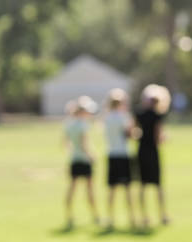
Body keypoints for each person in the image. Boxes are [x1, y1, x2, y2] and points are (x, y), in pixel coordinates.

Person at [135, 85, 170, 227]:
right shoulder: (157, 116)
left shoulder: (139, 114)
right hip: (152, 151)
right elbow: (158, 136)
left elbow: (134, 132)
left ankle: (144, 216)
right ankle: (162, 215)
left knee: (143, 185)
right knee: (158, 185)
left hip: (141, 150)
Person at [62, 96, 99, 228]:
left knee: (72, 189)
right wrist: (92, 156)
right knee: (89, 190)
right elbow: (85, 144)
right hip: (84, 160)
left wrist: (74, 152)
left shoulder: (69, 124)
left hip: (74, 159)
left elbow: (66, 144)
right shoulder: (83, 125)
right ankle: (95, 216)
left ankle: (69, 216)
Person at [103, 88, 136, 229]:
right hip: (123, 154)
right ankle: (132, 218)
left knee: (112, 189)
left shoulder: (107, 118)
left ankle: (110, 218)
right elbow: (129, 134)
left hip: (111, 154)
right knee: (127, 188)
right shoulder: (124, 117)